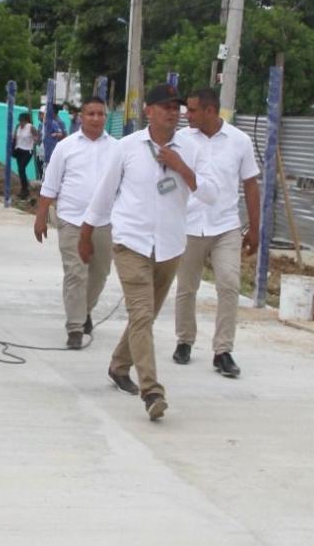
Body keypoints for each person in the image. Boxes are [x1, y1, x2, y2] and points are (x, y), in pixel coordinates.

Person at [80, 83, 215, 421]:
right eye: (166, 106)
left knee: (146, 316)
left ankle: (118, 364)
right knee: (141, 315)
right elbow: (104, 194)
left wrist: (182, 167)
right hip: (131, 243)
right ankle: (152, 391)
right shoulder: (126, 147)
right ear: (148, 111)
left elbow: (212, 194)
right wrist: (86, 233)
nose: (173, 111)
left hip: (169, 246)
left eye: (177, 106)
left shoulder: (192, 149)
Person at [172, 88, 262, 378]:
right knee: (187, 287)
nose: (187, 115)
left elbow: (250, 185)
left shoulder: (240, 141)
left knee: (229, 283)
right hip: (188, 224)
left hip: (225, 226)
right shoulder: (182, 140)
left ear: (210, 111)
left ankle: (223, 350)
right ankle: (184, 340)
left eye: (194, 110)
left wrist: (255, 228)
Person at [35, 97, 115, 349]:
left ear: (106, 116)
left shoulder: (117, 148)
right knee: (75, 273)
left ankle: (85, 310)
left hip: (105, 221)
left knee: (100, 273)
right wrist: (41, 217)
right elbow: (51, 184)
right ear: (81, 116)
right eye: (90, 113)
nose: (95, 118)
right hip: (71, 220)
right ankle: (75, 327)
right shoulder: (66, 147)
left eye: (100, 114)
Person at [13, 112, 39, 199]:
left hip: (28, 151)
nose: (21, 123)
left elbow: (37, 137)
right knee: (20, 170)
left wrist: (34, 141)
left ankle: (25, 190)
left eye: (22, 121)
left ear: (26, 120)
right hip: (19, 150)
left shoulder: (30, 127)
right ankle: (24, 188)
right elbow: (15, 137)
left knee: (21, 168)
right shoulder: (18, 127)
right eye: (20, 121)